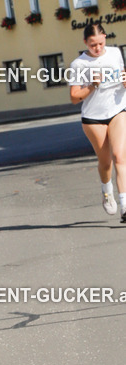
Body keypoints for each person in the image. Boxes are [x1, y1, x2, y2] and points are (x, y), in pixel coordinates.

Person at [68, 23, 126, 221]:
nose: (98, 48)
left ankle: (125, 206)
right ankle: (107, 191)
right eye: (93, 45)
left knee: (120, 156)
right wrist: (93, 85)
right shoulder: (79, 65)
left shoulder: (116, 53)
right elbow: (74, 97)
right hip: (93, 118)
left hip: (118, 110)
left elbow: (123, 78)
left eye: (101, 43)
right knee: (105, 161)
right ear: (85, 42)